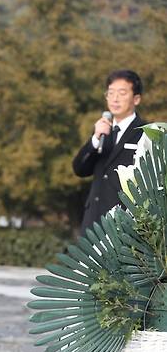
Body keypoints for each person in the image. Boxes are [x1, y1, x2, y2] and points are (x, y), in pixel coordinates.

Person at [73, 70, 146, 232]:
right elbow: (80, 169)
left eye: (122, 93)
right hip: (93, 222)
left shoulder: (144, 133)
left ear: (136, 99)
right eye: (110, 93)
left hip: (125, 225)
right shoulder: (103, 131)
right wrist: (94, 139)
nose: (115, 98)